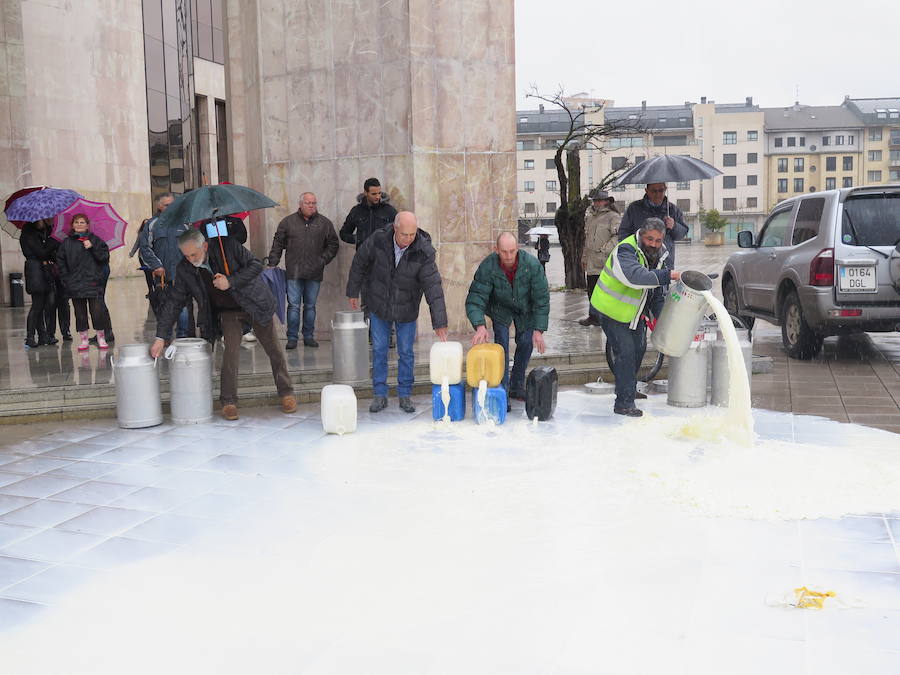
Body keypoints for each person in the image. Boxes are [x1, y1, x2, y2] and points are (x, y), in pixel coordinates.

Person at [149, 229, 295, 421]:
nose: (191, 259)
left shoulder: (227, 245)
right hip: (228, 311)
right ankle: (228, 401)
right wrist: (161, 336)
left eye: (194, 254)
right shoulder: (185, 269)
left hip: (255, 303)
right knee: (230, 354)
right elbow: (174, 302)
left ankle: (286, 392)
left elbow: (255, 265)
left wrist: (230, 281)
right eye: (187, 255)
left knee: (274, 349)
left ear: (205, 246)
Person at [346, 211, 448, 413]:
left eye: (412, 234)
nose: (408, 239)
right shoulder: (378, 240)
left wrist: (440, 322)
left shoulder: (423, 251)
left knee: (406, 352)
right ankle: (379, 394)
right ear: (395, 229)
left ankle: (405, 394)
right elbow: (359, 262)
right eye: (404, 234)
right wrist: (353, 291)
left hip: (407, 308)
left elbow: (433, 287)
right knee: (379, 350)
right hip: (379, 304)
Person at [591, 218, 680, 417]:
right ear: (641, 235)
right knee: (626, 352)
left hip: (633, 311)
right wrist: (669, 275)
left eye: (658, 240)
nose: (654, 244)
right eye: (650, 239)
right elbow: (636, 277)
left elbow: (656, 291)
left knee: (639, 349)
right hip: (610, 308)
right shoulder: (626, 250)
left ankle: (627, 389)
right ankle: (623, 403)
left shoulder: (660, 254)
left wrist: (660, 319)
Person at [466, 231, 549, 407]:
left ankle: (517, 386)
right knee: (501, 345)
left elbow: (541, 299)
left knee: (526, 342)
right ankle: (502, 389)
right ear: (496, 250)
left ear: (518, 248)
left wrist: (539, 330)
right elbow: (475, 298)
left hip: (525, 308)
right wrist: (480, 326)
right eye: (504, 252)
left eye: (512, 251)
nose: (509, 256)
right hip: (500, 307)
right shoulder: (488, 266)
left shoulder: (532, 265)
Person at [267, 192, 339, 349]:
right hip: (294, 272)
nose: (312, 206)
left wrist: (322, 260)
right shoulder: (287, 222)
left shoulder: (324, 223)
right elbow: (278, 243)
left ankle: (308, 336)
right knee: (293, 306)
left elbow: (333, 244)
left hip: (314, 272)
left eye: (314, 203)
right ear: (300, 204)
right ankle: (292, 337)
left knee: (310, 306)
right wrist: (273, 263)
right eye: (308, 203)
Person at [139, 192, 195, 338]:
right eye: (166, 205)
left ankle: (183, 339)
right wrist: (156, 266)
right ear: (159, 206)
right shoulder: (152, 224)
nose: (171, 208)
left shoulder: (185, 223)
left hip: (182, 276)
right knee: (165, 312)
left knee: (184, 312)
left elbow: (195, 245)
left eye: (173, 204)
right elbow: (145, 248)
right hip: (162, 277)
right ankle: (165, 340)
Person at [56, 214, 111, 351]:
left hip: (93, 282)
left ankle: (101, 337)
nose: (79, 224)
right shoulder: (66, 243)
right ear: (73, 225)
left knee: (97, 312)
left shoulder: (96, 240)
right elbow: (60, 261)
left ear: (87, 225)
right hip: (75, 284)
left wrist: (92, 248)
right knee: (80, 313)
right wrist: (66, 278)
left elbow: (104, 258)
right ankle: (84, 339)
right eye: (76, 222)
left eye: (82, 222)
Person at [617, 183, 688, 268]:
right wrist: (630, 254)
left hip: (665, 262)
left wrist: (674, 226)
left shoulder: (673, 210)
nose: (658, 194)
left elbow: (682, 233)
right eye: (654, 191)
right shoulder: (634, 209)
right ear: (646, 191)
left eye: (661, 190)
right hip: (639, 262)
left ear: (665, 189)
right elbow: (623, 234)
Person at [579, 189, 621, 327]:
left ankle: (607, 317)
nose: (597, 203)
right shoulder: (590, 217)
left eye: (599, 200)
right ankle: (593, 316)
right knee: (591, 291)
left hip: (605, 261)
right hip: (591, 262)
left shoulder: (613, 217)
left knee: (605, 292)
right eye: (595, 200)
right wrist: (584, 258)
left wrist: (604, 250)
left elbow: (617, 237)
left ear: (607, 201)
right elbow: (587, 240)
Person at [19, 219, 59, 348]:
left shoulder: (43, 232)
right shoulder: (28, 233)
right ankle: (30, 337)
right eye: (43, 219)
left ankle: (42, 335)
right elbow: (41, 252)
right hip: (35, 271)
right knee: (37, 306)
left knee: (43, 305)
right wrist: (54, 240)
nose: (46, 220)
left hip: (44, 271)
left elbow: (48, 253)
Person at [339, 178, 397, 248]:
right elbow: (343, 233)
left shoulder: (389, 210)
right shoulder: (356, 211)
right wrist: (357, 239)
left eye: (379, 193)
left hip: (384, 255)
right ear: (365, 193)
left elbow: (400, 230)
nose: (377, 197)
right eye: (373, 194)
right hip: (363, 255)